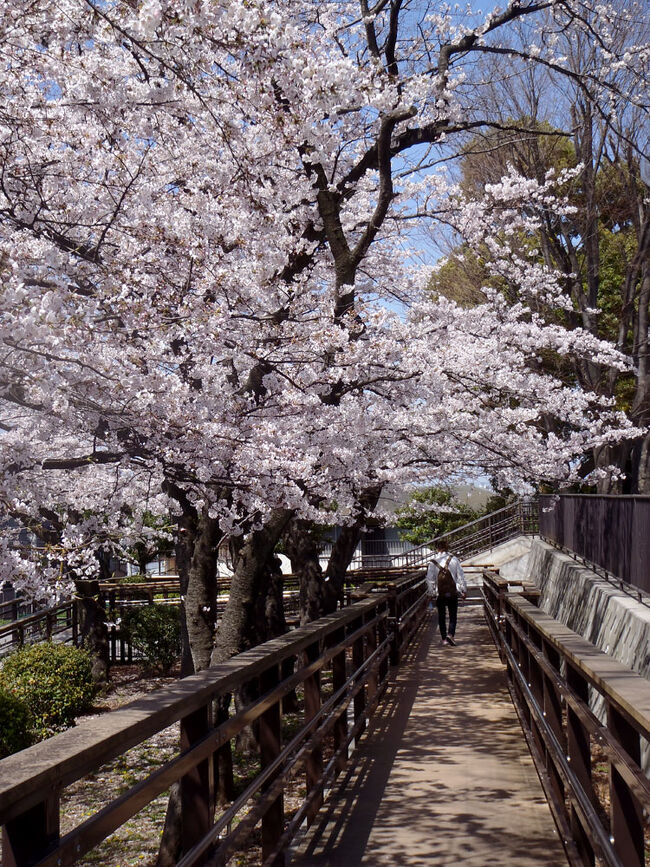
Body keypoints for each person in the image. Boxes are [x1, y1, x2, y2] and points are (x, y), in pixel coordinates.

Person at [426, 545, 467, 646]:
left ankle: (444, 639)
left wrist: (431, 593)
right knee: (453, 615)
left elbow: (430, 579)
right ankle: (450, 634)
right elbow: (460, 575)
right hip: (452, 593)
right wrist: (463, 590)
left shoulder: (433, 562)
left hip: (440, 594)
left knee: (441, 616)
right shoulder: (454, 559)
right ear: (447, 548)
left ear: (437, 549)